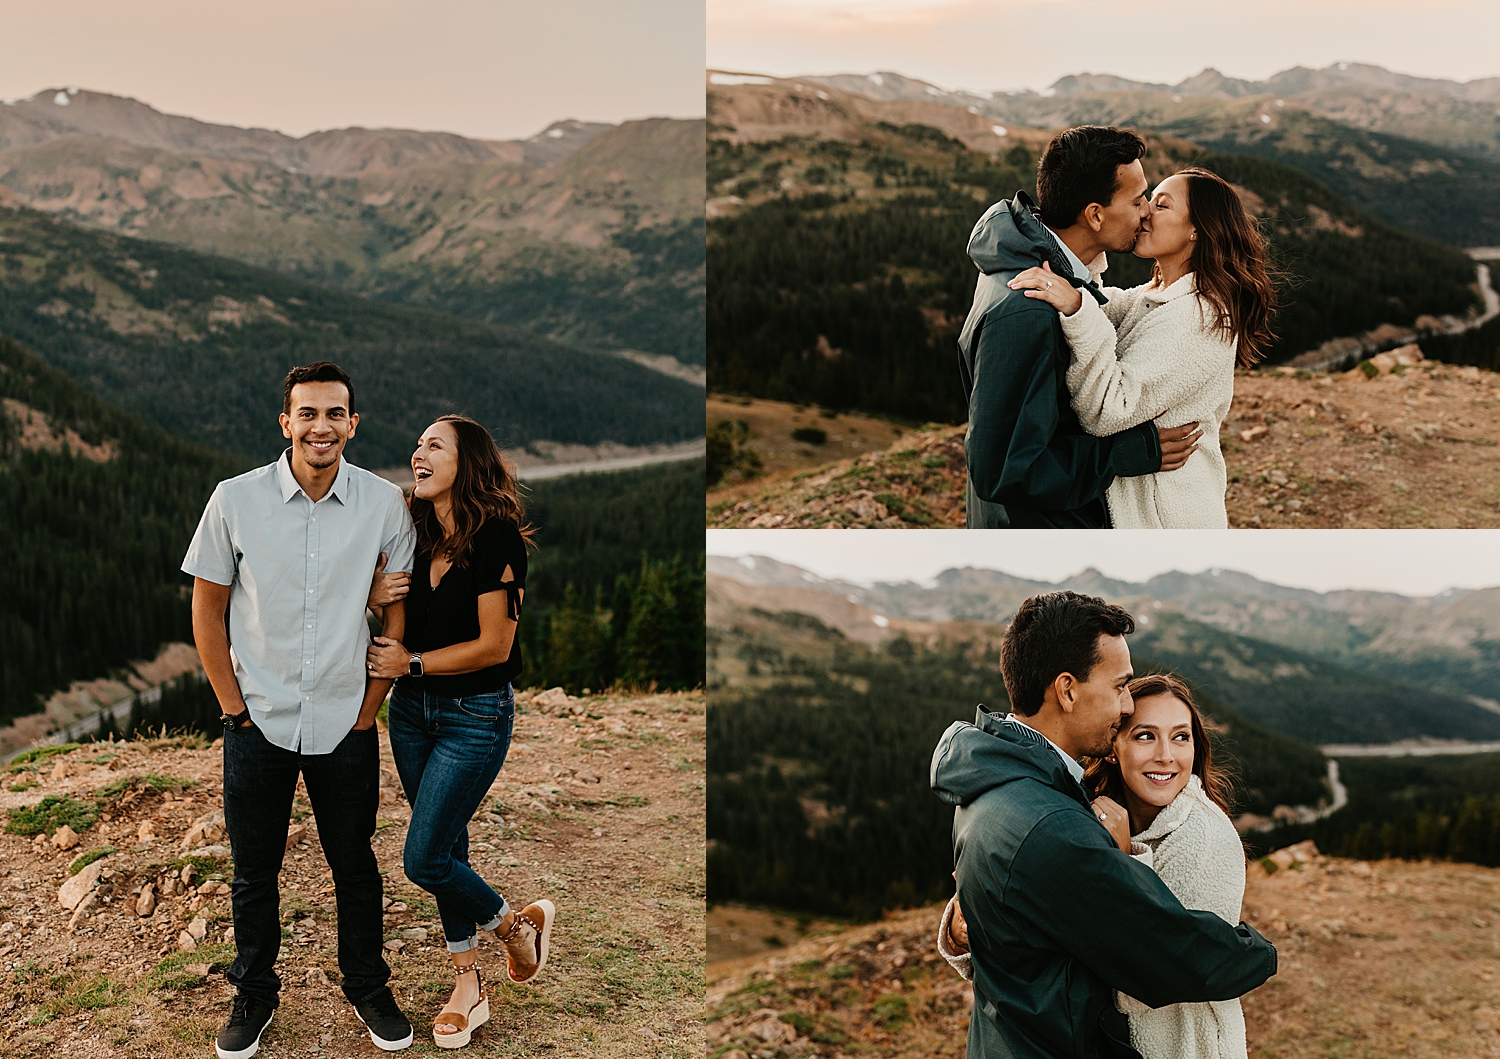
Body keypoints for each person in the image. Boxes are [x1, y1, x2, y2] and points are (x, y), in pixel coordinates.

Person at [183, 361, 418, 1058]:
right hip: (258, 718)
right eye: (307, 414)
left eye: (334, 413)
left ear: (353, 423)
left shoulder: (383, 504)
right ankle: (253, 994)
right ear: (285, 422)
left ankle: (368, 986)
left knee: (355, 863)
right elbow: (208, 608)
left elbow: (396, 615)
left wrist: (369, 708)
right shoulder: (235, 498)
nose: (322, 426)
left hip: (346, 720)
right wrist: (234, 707)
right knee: (255, 869)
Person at [928, 591, 1275, 1059]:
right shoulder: (1053, 825)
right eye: (1118, 687)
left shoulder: (992, 778)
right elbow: (1171, 956)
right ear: (1068, 690)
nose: (1127, 705)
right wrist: (1257, 950)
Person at [364, 414, 556, 1050]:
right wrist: (373, 596)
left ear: (466, 464)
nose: (417, 453)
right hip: (413, 716)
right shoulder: (414, 529)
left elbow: (496, 647)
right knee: (447, 846)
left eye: (434, 445)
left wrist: (409, 663)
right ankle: (468, 985)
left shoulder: (497, 536)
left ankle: (513, 929)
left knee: (423, 859)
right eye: (417, 444)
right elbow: (394, 611)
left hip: (474, 716)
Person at [958, 125, 1203, 528]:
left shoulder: (1049, 275)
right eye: (1138, 199)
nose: (1146, 212)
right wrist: (1125, 454)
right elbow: (1003, 470)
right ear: (1094, 214)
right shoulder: (1029, 308)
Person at [1007, 167, 1277, 527]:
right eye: (1147, 201)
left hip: (1166, 520)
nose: (1145, 212)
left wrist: (1076, 308)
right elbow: (1106, 306)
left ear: (1197, 229)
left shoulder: (1199, 316)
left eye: (1161, 206)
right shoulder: (1159, 296)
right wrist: (1079, 270)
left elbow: (1108, 412)